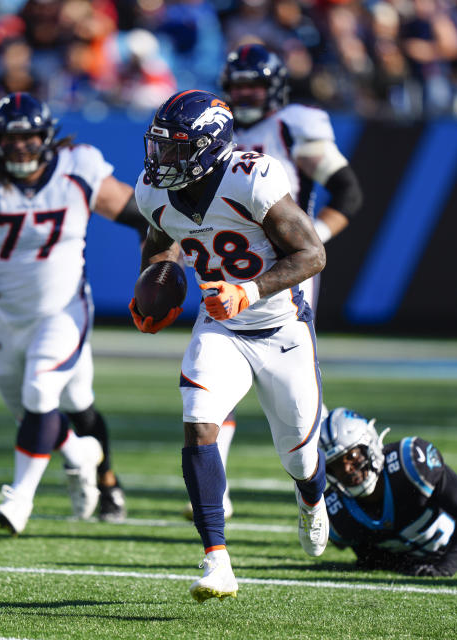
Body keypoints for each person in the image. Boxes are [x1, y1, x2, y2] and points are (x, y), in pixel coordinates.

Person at [132, 90, 328, 602]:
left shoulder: (251, 177)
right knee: (199, 424)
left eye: (176, 149)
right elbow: (158, 242)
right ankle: (216, 559)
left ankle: (311, 497)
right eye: (159, 147)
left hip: (281, 328)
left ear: (209, 146)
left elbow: (313, 253)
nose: (161, 160)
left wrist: (251, 288)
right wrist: (152, 290)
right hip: (220, 328)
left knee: (300, 459)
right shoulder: (154, 191)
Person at [0, 92, 146, 529]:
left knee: (41, 394)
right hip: (7, 318)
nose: (19, 148)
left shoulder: (77, 170)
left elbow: (145, 216)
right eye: (10, 139)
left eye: (29, 137)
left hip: (64, 310)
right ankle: (79, 451)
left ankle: (21, 500)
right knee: (52, 410)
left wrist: (157, 268)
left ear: (47, 137)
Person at [181, 43, 364, 520]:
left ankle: (309, 476)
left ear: (275, 88)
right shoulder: (212, 127)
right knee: (218, 366)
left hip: (282, 266)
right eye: (237, 85)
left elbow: (348, 191)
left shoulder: (295, 123)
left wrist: (312, 239)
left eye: (253, 86)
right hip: (227, 260)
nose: (244, 94)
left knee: (289, 390)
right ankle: (214, 487)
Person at [319, 407, 457, 576]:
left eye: (351, 456)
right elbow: (366, 553)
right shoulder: (334, 511)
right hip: (420, 555)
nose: (347, 469)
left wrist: (444, 567)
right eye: (336, 464)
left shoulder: (410, 464)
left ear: (368, 445)